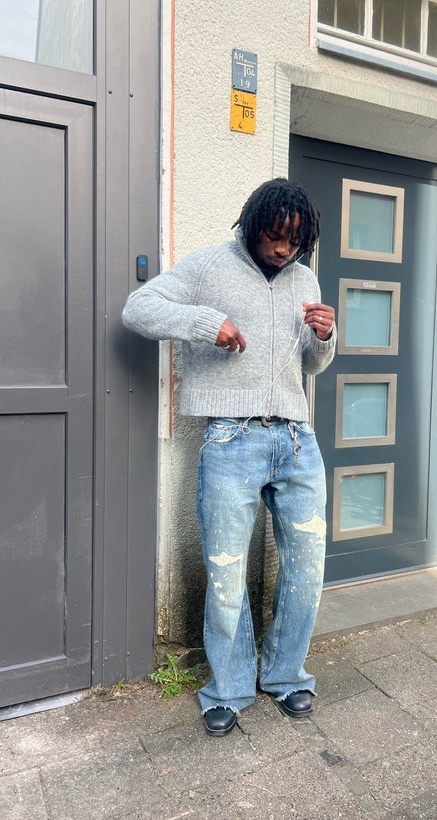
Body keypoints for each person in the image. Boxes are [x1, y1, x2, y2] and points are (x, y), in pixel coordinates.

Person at [122, 178, 336, 736]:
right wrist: (203, 323)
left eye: (295, 241)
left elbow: (311, 366)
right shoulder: (209, 266)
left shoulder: (304, 277)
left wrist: (324, 336)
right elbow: (138, 308)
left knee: (307, 567)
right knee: (226, 569)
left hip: (296, 439)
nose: (284, 249)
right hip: (230, 439)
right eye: (275, 236)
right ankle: (229, 687)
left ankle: (286, 676)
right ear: (254, 223)